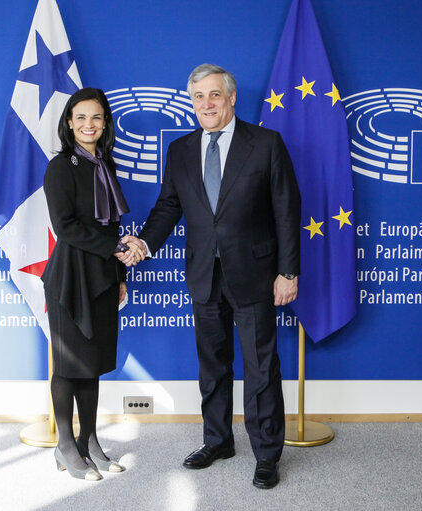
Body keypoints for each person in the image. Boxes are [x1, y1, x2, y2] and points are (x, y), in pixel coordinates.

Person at [123, 64, 301, 489]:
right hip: (204, 274)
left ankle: (267, 454)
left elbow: (287, 211)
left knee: (261, 367)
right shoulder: (181, 150)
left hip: (256, 274)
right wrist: (144, 244)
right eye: (198, 97)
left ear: (231, 98)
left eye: (214, 95)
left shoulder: (266, 144)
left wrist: (287, 271)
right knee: (212, 367)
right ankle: (218, 440)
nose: (207, 104)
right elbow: (168, 207)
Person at [42, 87, 144, 481]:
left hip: (102, 275)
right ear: (69, 122)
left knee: (93, 364)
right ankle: (65, 444)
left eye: (97, 118)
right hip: (70, 277)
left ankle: (90, 441)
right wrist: (117, 249)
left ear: (105, 124)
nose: (89, 125)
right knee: (69, 364)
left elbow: (112, 225)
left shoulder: (106, 165)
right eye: (81, 117)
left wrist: (119, 274)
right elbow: (65, 227)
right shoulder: (60, 167)